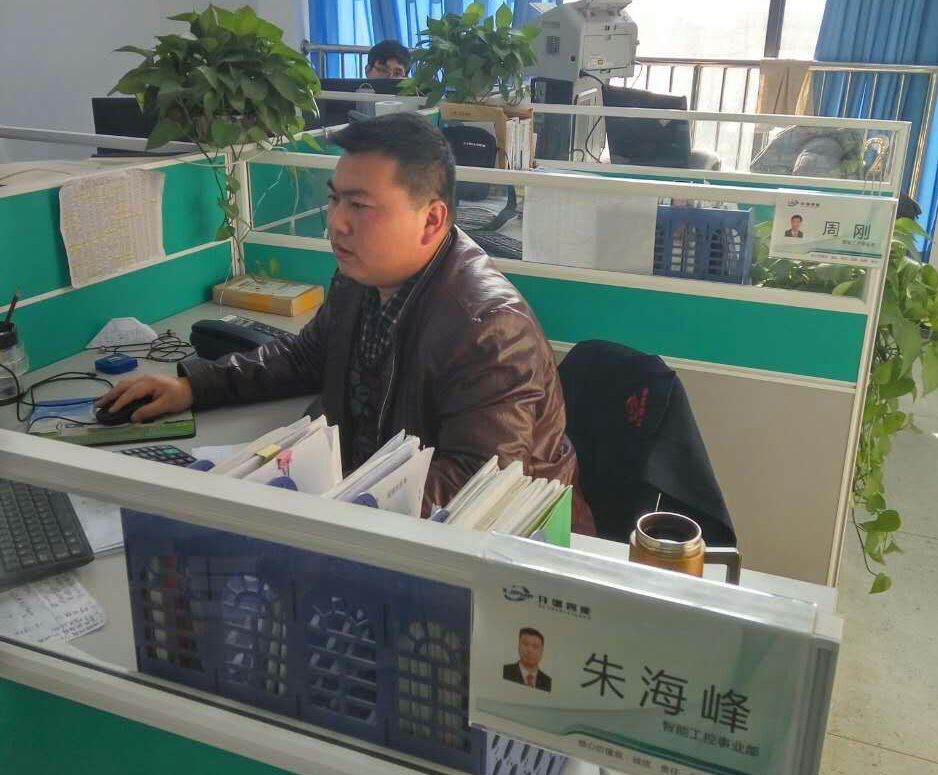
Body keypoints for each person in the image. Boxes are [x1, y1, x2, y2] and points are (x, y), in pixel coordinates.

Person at [97, 113, 587, 523]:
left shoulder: (489, 328)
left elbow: (471, 491)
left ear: (432, 219)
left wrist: (330, 506)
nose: (335, 222)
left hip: (515, 550)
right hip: (367, 512)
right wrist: (194, 387)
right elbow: (307, 356)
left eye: (359, 205)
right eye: (334, 199)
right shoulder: (362, 276)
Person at [503, 628, 551, 692]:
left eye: (535, 646)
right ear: (518, 646)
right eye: (525, 644)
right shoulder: (505, 672)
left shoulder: (548, 682)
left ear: (542, 651)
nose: (530, 650)